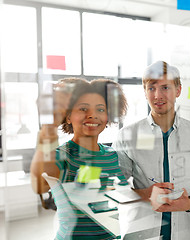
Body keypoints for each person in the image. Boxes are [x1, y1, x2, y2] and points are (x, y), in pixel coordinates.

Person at [112, 61, 190, 240]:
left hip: (189, 232)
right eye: (151, 88)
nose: (158, 95)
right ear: (145, 92)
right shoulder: (127, 136)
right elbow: (116, 187)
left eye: (165, 87)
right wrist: (145, 194)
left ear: (178, 90)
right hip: (142, 231)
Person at [30, 78, 128, 239]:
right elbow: (40, 186)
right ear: (68, 117)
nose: (92, 115)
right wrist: (49, 125)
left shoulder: (112, 154)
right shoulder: (62, 155)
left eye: (101, 109)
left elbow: (121, 195)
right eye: (83, 108)